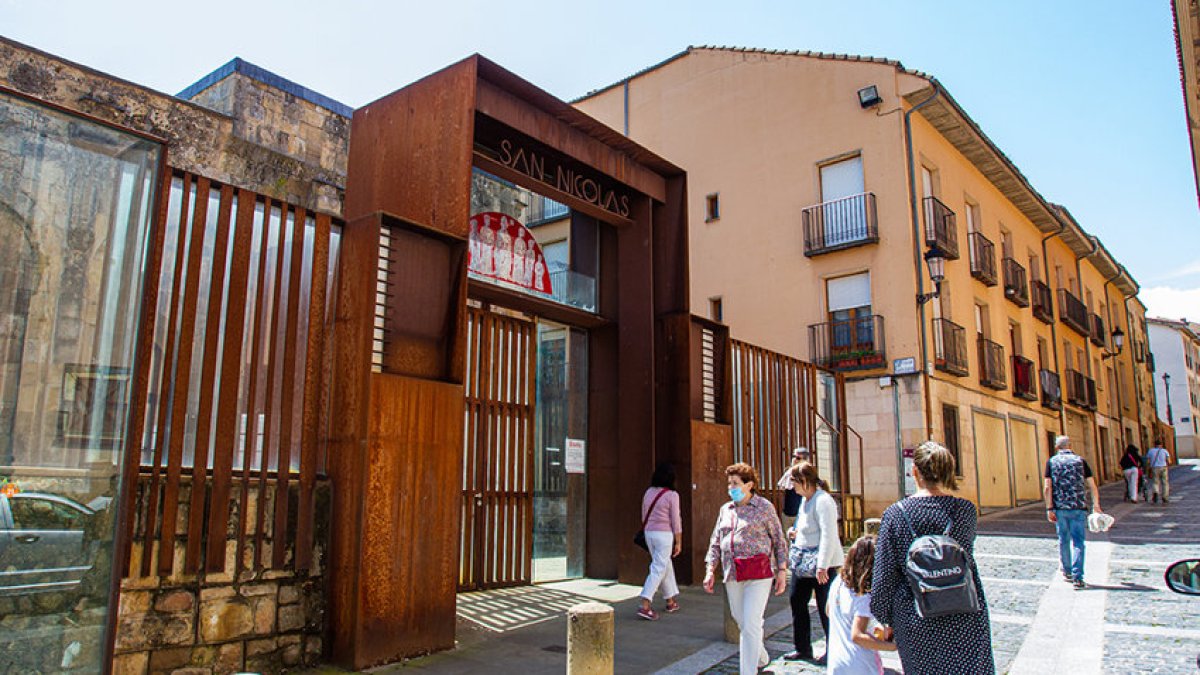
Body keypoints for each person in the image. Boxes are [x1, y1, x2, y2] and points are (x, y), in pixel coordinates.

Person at [871, 440, 994, 675]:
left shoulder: (895, 514)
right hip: (964, 611)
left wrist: (885, 619)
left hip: (916, 614)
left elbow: (884, 576)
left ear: (914, 471)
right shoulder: (966, 510)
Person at [704, 462, 789, 675]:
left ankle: (747, 671)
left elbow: (779, 539)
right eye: (729, 483)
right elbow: (716, 540)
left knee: (751, 622)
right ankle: (760, 655)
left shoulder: (764, 507)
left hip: (758, 573)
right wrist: (710, 569)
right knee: (741, 620)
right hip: (732, 572)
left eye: (735, 483)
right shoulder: (726, 509)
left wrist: (781, 570)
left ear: (749, 485)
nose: (730, 487)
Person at [782, 461, 843, 664]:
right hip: (803, 562)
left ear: (805, 481)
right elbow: (805, 526)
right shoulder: (805, 501)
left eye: (795, 483)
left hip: (821, 564)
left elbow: (828, 534)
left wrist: (823, 565)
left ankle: (832, 650)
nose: (794, 488)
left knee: (825, 608)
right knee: (797, 602)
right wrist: (793, 533)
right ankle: (802, 648)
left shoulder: (823, 501)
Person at [827, 535, 896, 674]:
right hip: (861, 665)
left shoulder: (838, 583)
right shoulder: (864, 596)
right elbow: (857, 635)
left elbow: (829, 611)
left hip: (836, 662)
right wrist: (893, 647)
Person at [1044, 435, 1103, 588]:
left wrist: (1049, 507)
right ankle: (1078, 577)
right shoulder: (1080, 461)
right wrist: (1095, 505)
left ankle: (1067, 571)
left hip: (1060, 508)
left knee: (1063, 540)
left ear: (1057, 447)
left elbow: (1047, 487)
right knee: (1078, 542)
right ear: (1070, 446)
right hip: (1078, 506)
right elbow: (1092, 485)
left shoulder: (1051, 462)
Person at [638, 462, 682, 620]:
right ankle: (645, 603)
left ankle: (670, 601)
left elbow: (644, 513)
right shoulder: (672, 495)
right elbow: (676, 520)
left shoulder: (649, 492)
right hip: (664, 535)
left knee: (664, 566)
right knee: (659, 567)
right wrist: (678, 541)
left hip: (649, 532)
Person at [775, 447, 810, 531]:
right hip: (787, 513)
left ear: (804, 460)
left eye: (798, 458)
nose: (794, 459)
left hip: (800, 513)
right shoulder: (788, 472)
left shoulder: (807, 474)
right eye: (793, 457)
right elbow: (782, 487)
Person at [1145, 439, 1171, 504]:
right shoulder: (1164, 451)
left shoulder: (1150, 451)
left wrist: (1148, 469)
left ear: (1154, 445)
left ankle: (1156, 493)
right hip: (1163, 467)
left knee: (1155, 482)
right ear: (1161, 445)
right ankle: (1165, 497)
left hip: (1154, 468)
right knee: (1165, 483)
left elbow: (1148, 461)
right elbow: (1169, 461)